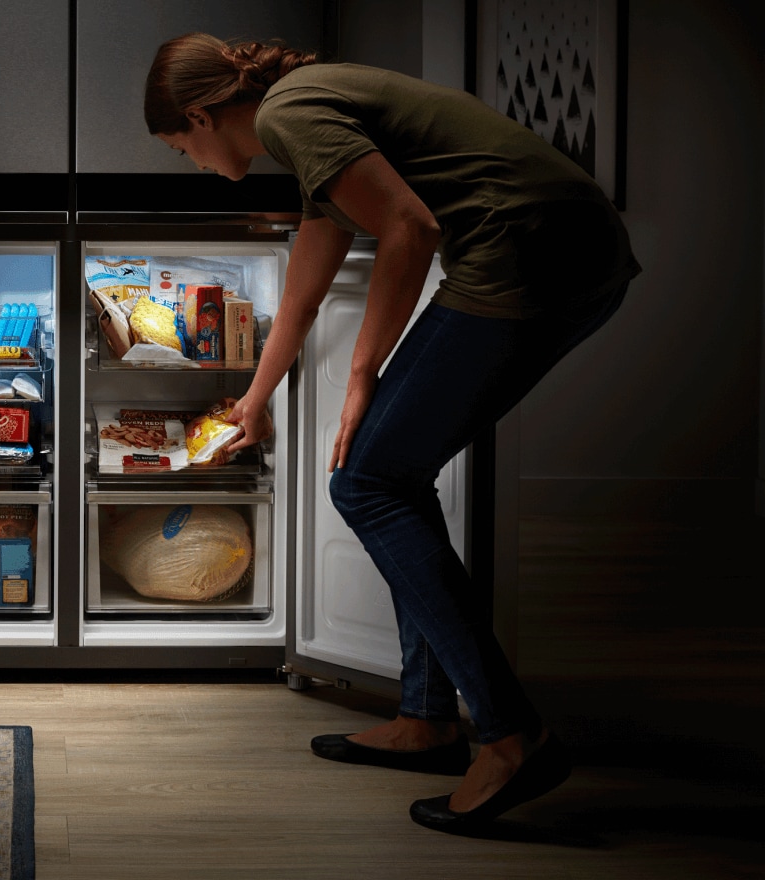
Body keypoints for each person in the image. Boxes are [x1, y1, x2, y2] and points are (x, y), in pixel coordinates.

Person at [144, 34, 639, 835]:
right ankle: (427, 718)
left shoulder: (291, 113)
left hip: (532, 250)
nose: (191, 162)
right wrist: (257, 397)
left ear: (203, 115)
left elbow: (408, 227)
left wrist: (366, 373)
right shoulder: (303, 128)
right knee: (390, 479)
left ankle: (511, 737)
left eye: (182, 146)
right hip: (563, 247)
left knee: (368, 482)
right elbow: (305, 289)